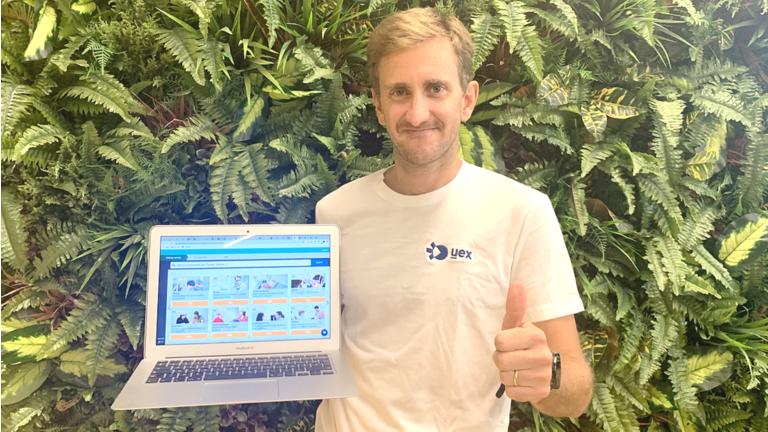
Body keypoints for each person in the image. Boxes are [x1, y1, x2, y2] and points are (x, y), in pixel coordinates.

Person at [313, 7, 593, 432]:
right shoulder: (335, 212)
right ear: (379, 105)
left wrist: (546, 373)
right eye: (400, 92)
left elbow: (575, 395)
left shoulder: (522, 213)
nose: (417, 113)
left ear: (467, 99)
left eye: (436, 88)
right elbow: (314, 345)